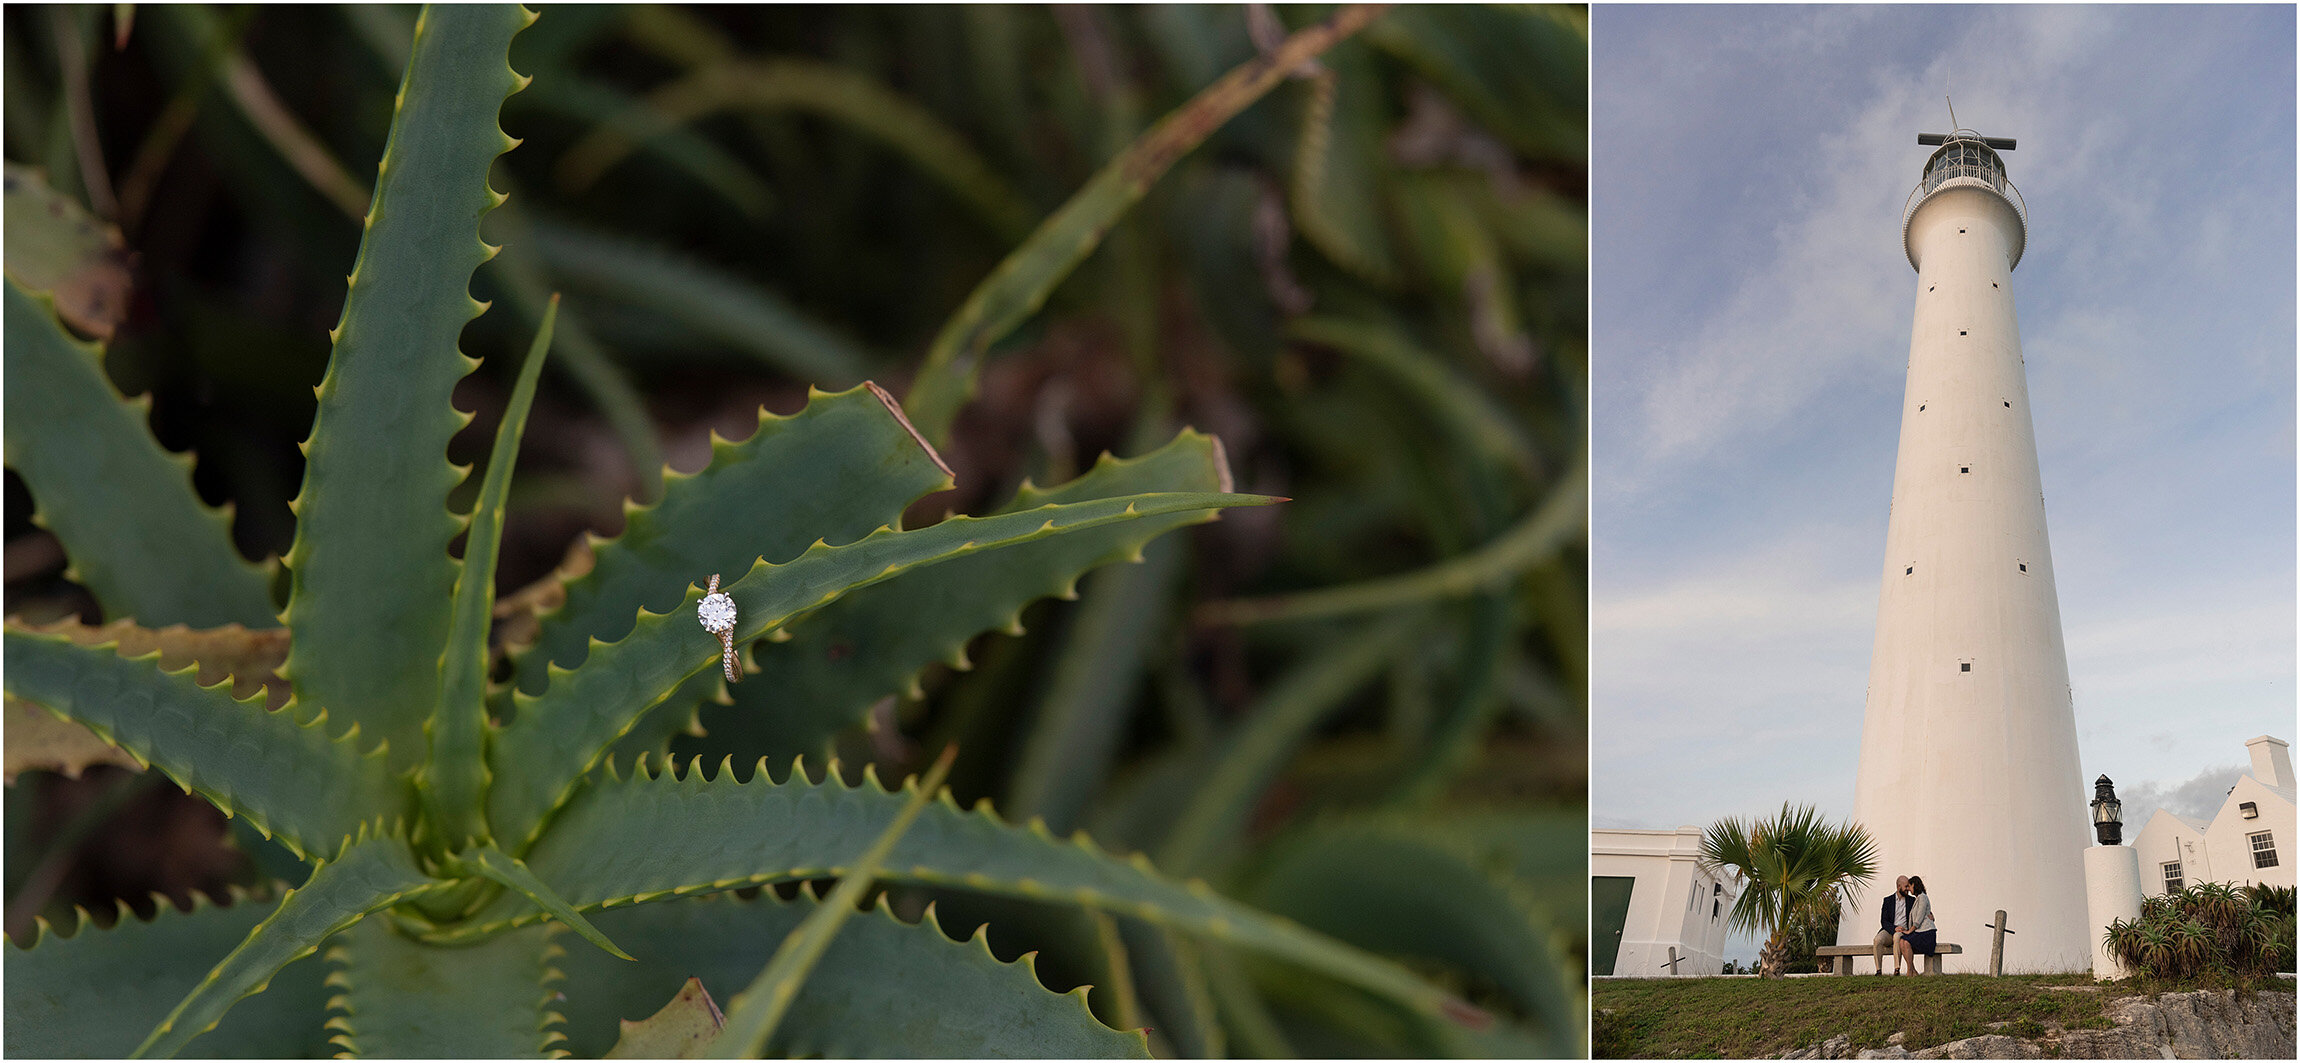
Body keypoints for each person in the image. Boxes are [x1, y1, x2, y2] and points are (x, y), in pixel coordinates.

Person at [1895, 875, 1937, 974]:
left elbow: (1919, 918)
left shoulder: (1922, 897)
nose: (1908, 889)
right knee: (1902, 942)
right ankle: (1912, 969)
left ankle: (1910, 971)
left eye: (1909, 886)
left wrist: (1910, 930)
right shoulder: (1917, 899)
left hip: (1927, 933)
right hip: (1919, 931)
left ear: (1914, 885)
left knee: (1905, 942)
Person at [1873, 876, 1912, 974]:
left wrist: (1930, 914)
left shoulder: (1912, 901)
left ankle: (1897, 969)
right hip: (1889, 929)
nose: (1908, 889)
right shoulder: (1888, 900)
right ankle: (1878, 970)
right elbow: (1884, 921)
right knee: (1877, 940)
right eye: (1906, 886)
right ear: (1899, 886)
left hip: (1903, 931)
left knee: (1897, 936)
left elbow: (1921, 910)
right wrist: (1894, 928)